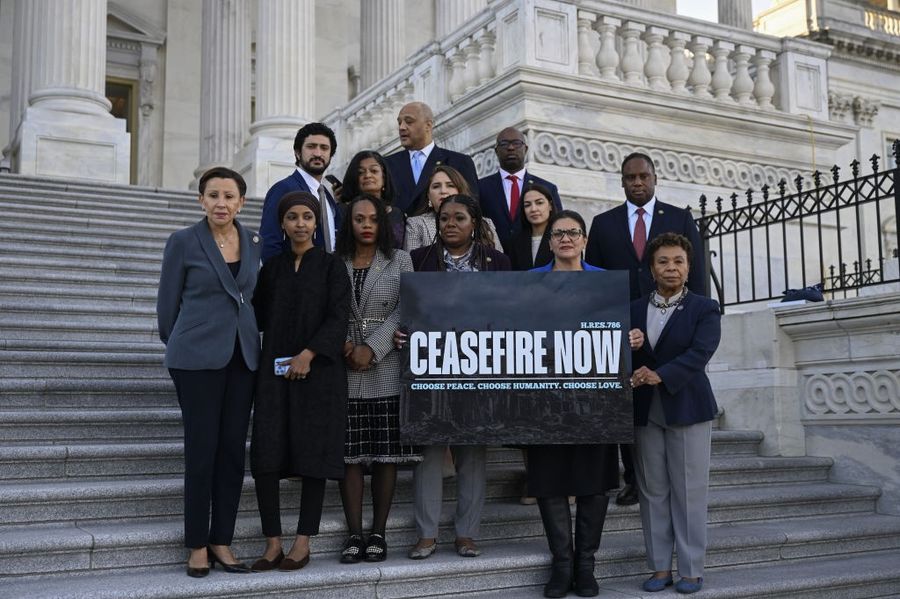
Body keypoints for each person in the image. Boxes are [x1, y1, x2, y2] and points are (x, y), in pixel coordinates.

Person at [584, 151, 707, 507]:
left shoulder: (680, 218)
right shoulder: (604, 224)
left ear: (654, 179)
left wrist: (694, 319)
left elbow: (695, 276)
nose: (637, 183)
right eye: (630, 178)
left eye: (643, 177)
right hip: (625, 327)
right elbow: (597, 282)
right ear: (621, 182)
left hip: (671, 324)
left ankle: (670, 474)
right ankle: (635, 479)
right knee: (631, 404)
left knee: (665, 393)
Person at [156, 167, 260, 578]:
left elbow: (251, 298)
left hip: (243, 359)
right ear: (201, 200)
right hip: (195, 360)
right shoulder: (182, 241)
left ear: (240, 202)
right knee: (202, 452)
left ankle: (222, 539)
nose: (221, 202)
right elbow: (167, 308)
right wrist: (184, 342)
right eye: (213, 195)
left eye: (228, 196)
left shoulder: (254, 240)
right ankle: (197, 544)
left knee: (233, 453)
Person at [250, 191, 351, 572]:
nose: (300, 224)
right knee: (266, 455)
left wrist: (309, 354)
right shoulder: (271, 269)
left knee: (313, 456)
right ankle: (272, 541)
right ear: (282, 223)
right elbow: (257, 316)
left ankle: (302, 542)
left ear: (316, 222)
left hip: (319, 374)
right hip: (274, 377)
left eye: (307, 216)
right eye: (292, 217)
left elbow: (339, 315)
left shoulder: (330, 266)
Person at [405, 195, 510, 560]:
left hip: (479, 370)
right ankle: (426, 534)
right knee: (430, 452)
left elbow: (507, 314)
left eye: (459, 218)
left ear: (474, 223)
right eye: (444, 217)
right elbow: (406, 309)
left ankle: (467, 533)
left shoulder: (497, 262)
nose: (450, 223)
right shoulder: (418, 261)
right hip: (431, 367)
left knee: (472, 454)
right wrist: (404, 333)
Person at [525, 209, 618, 598]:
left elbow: (617, 328)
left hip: (596, 400)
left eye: (573, 232)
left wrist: (627, 337)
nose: (565, 238)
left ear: (583, 241)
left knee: (594, 482)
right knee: (549, 480)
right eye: (559, 233)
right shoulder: (531, 282)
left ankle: (586, 565)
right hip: (544, 398)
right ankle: (561, 564)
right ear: (549, 243)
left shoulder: (606, 284)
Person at [628, 232, 721, 595]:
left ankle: (692, 569)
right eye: (663, 261)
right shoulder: (634, 309)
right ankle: (659, 568)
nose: (671, 267)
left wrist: (660, 374)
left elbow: (701, 352)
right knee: (652, 491)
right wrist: (628, 347)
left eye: (678, 261)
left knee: (689, 490)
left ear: (688, 266)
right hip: (646, 410)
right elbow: (618, 352)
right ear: (652, 268)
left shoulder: (704, 308)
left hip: (687, 406)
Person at [334, 194, 420, 564]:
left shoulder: (401, 259)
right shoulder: (334, 263)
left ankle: (378, 533)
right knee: (349, 456)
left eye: (372, 219)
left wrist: (373, 346)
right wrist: (345, 344)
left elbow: (407, 306)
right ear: (349, 223)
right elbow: (325, 308)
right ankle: (354, 534)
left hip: (385, 363)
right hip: (344, 365)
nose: (366, 225)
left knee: (386, 455)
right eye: (359, 219)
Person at [259, 122, 342, 262]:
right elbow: (269, 242)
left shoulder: (327, 196)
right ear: (298, 153)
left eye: (324, 148)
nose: (318, 153)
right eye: (311, 147)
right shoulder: (283, 188)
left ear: (330, 155)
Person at [384, 102, 479, 215]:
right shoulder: (386, 165)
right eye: (399, 123)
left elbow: (473, 208)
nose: (402, 127)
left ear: (428, 125)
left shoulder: (459, 162)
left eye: (409, 122)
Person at [477, 127, 563, 249]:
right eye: (504, 144)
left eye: (516, 143)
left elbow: (558, 226)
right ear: (496, 151)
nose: (511, 148)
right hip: (493, 260)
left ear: (526, 149)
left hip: (534, 259)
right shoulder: (480, 187)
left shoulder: (547, 188)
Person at [404, 165, 501, 252]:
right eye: (436, 186)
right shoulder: (416, 224)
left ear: (460, 191)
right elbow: (412, 267)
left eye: (450, 185)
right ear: (428, 195)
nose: (443, 191)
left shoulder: (485, 223)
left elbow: (500, 265)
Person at [338, 150, 405, 249]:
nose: (368, 175)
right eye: (361, 172)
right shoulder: (342, 211)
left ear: (384, 177)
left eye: (374, 171)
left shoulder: (396, 213)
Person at [506, 183, 556, 271]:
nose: (533, 209)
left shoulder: (563, 237)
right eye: (527, 205)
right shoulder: (515, 240)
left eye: (539, 203)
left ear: (550, 205)